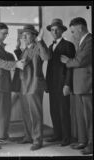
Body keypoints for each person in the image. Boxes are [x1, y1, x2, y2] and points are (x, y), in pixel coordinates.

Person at [0, 22, 25, 149]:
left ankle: (2, 136)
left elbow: (6, 57)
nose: (6, 36)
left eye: (7, 33)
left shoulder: (1, 47)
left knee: (6, 111)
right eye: (4, 33)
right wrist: (15, 64)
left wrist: (16, 54)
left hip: (5, 83)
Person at [14, 24, 50, 150]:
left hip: (35, 84)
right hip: (24, 85)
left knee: (35, 113)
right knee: (26, 112)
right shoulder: (26, 49)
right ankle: (28, 136)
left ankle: (37, 140)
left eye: (27, 33)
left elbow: (46, 57)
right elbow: (23, 62)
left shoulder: (38, 46)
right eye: (23, 34)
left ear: (34, 36)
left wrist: (40, 41)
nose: (23, 35)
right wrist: (17, 49)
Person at [61, 17, 92, 155]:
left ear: (80, 28)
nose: (72, 34)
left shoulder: (90, 41)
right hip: (80, 86)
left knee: (90, 117)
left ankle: (91, 145)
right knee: (81, 116)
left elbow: (80, 61)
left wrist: (68, 61)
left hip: (87, 86)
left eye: (73, 31)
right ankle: (83, 141)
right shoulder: (82, 42)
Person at [45, 18, 76, 146]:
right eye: (52, 30)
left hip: (63, 84)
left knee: (64, 111)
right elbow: (49, 68)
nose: (54, 31)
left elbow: (70, 66)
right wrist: (47, 84)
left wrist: (67, 84)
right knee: (54, 110)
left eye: (57, 29)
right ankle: (57, 135)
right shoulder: (50, 47)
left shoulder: (68, 45)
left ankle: (66, 137)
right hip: (52, 84)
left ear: (62, 31)